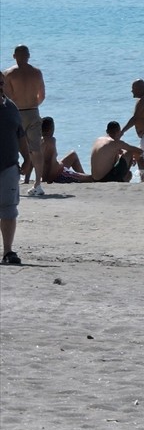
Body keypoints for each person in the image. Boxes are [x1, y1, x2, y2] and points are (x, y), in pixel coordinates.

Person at [3, 45, 46, 197]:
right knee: (36, 149)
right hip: (33, 112)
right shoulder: (37, 73)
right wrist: (33, 106)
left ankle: (12, 180)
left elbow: (7, 98)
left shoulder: (9, 74)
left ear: (14, 56)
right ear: (28, 56)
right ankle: (38, 183)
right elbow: (42, 96)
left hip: (16, 113)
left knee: (13, 147)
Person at [1, 72, 34, 265]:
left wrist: (27, 158)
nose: (0, 86)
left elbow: (20, 134)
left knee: (9, 210)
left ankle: (8, 251)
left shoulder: (11, 107)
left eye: (1, 83)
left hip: (9, 166)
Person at [40, 117, 91, 184]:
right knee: (91, 178)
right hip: (59, 174)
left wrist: (27, 179)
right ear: (51, 129)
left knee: (73, 154)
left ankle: (82, 176)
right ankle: (83, 178)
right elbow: (48, 162)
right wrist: (47, 179)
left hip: (56, 171)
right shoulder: (51, 140)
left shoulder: (38, 141)